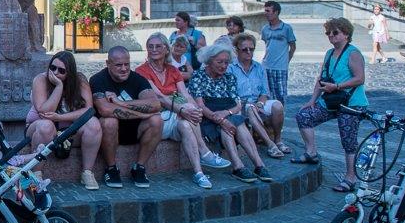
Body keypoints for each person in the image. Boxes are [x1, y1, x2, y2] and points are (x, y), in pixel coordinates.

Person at [137, 33, 230, 190]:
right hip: (157, 119)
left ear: (166, 49)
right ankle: (205, 152)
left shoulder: (173, 70)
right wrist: (183, 108)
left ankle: (199, 173)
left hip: (175, 116)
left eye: (158, 46)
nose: (153, 50)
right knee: (186, 112)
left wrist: (196, 109)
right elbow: (158, 96)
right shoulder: (142, 70)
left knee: (187, 124)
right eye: (150, 46)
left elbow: (185, 94)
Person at [292, 17, 368, 192]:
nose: (331, 36)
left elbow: (359, 78)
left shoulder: (353, 53)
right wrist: (312, 100)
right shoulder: (329, 53)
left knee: (348, 139)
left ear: (346, 34)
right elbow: (321, 78)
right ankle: (311, 152)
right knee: (304, 116)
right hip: (331, 100)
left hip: (351, 103)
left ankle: (350, 177)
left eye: (335, 32)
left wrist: (337, 86)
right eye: (328, 33)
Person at [189, 42, 273, 183]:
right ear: (209, 61)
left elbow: (237, 104)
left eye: (226, 62)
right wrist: (221, 119)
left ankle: (258, 165)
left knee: (237, 122)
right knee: (230, 126)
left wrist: (225, 113)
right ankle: (238, 166)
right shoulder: (198, 76)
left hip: (226, 113)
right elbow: (200, 105)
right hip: (207, 117)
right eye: (219, 62)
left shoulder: (229, 77)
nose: (223, 66)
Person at [27, 51, 103, 191]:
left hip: (68, 130)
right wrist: (59, 87)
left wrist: (60, 117)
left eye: (61, 70)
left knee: (93, 123)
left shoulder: (79, 80)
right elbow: (44, 112)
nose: (55, 72)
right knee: (46, 126)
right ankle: (36, 174)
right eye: (53, 67)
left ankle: (87, 172)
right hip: (38, 129)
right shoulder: (41, 79)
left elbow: (88, 110)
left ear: (70, 72)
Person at [89, 47, 164, 188]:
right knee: (109, 121)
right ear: (108, 63)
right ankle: (111, 169)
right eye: (118, 65)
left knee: (157, 120)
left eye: (127, 64)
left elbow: (155, 104)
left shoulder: (137, 79)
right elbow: (105, 109)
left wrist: (120, 103)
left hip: (136, 130)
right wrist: (142, 113)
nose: (124, 69)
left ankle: (139, 168)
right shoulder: (97, 80)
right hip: (109, 133)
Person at [229, 32, 288, 157]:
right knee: (250, 108)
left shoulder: (259, 68)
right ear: (236, 50)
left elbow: (265, 92)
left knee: (277, 105)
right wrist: (248, 104)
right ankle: (270, 144)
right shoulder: (230, 68)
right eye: (245, 49)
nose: (249, 52)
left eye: (251, 49)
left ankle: (278, 140)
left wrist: (260, 103)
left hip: (257, 102)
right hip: (239, 105)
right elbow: (230, 93)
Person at [260, 0, 297, 104]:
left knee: (280, 95)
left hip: (280, 67)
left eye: (268, 11)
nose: (266, 13)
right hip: (266, 66)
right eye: (265, 11)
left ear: (276, 12)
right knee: (267, 93)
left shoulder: (286, 28)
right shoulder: (265, 29)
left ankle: (279, 117)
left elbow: (293, 46)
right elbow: (267, 45)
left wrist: (287, 60)